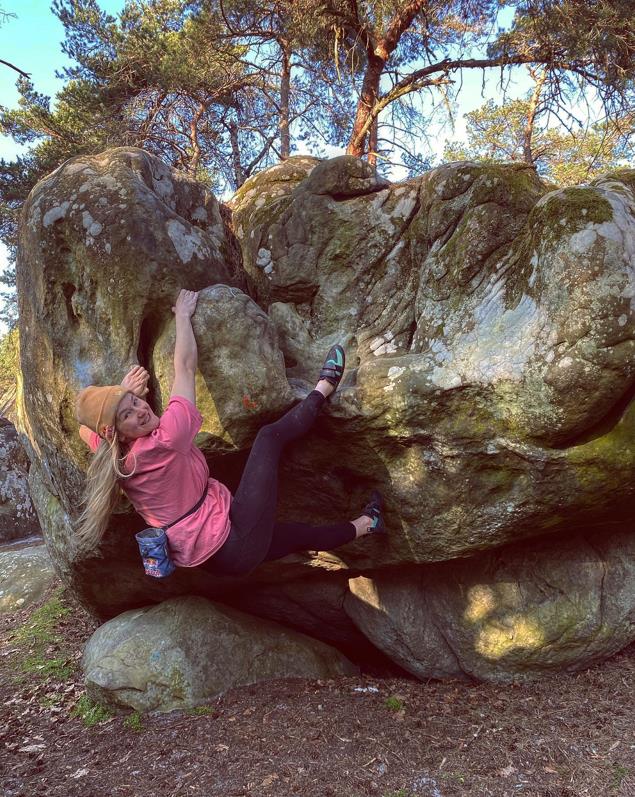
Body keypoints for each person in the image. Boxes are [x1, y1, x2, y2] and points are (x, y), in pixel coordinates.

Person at [75, 289, 384, 576]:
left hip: (213, 559)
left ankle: (369, 524)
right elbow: (184, 366)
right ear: (119, 433)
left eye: (135, 402)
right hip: (231, 541)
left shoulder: (114, 455)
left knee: (298, 535)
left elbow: (82, 429)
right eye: (128, 414)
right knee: (267, 439)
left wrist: (120, 397)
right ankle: (323, 389)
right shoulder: (167, 437)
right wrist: (182, 316)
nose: (141, 410)